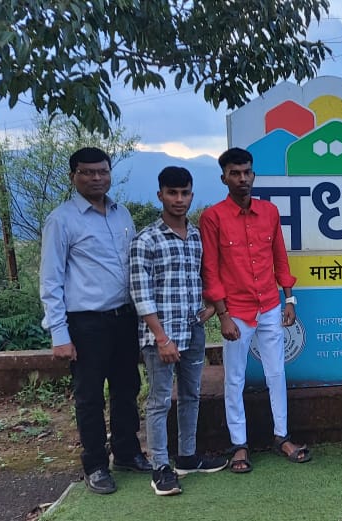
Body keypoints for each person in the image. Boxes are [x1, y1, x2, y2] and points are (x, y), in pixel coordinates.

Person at [40, 147, 151, 495]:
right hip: (86, 323)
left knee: (127, 388)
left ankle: (127, 452)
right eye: (87, 172)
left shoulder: (122, 214)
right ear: (73, 176)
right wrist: (59, 333)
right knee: (89, 396)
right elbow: (50, 280)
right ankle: (95, 465)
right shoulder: (61, 220)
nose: (96, 178)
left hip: (124, 317)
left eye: (102, 171)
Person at [199, 147, 311, 473]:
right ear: (224, 178)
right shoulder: (213, 217)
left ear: (253, 174)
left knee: (276, 372)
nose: (242, 178)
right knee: (234, 378)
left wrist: (289, 299)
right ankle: (239, 445)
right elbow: (211, 269)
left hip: (270, 305)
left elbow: (280, 257)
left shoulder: (269, 212)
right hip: (236, 311)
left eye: (247, 172)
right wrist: (223, 315)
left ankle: (282, 436)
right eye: (235, 173)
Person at [129, 167, 228, 496]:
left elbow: (206, 275)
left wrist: (210, 308)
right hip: (161, 337)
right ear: (160, 195)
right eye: (172, 193)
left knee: (190, 396)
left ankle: (187, 456)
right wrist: (161, 338)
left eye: (185, 193)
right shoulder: (146, 240)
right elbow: (141, 294)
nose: (179, 199)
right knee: (159, 401)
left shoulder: (197, 236)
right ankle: (160, 467)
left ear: (191, 195)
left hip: (193, 330)